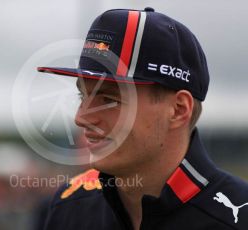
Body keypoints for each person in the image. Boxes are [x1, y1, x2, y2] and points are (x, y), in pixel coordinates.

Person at [37, 7, 248, 230]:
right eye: (83, 95)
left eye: (110, 99)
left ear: (178, 110)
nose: (81, 118)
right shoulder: (69, 206)